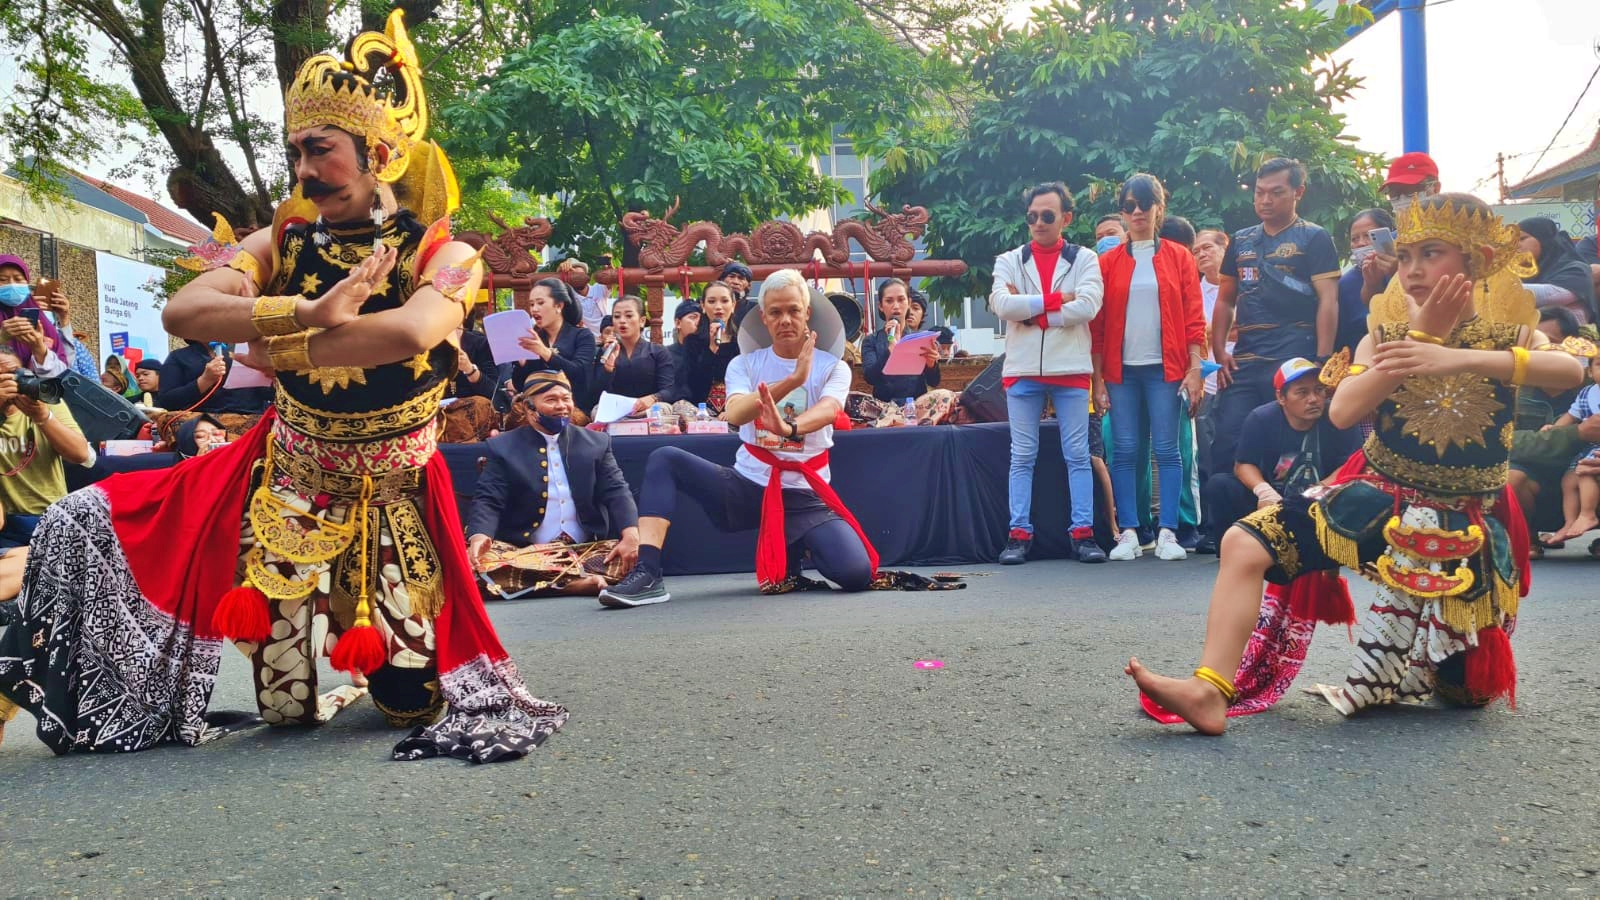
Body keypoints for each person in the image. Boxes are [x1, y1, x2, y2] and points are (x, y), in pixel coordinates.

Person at [0, 11, 566, 762]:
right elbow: (186, 309)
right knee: (287, 708)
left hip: (395, 492)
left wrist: (276, 342)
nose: (302, 170)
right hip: (292, 482)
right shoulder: (282, 243)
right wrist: (306, 308)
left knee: (409, 702)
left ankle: (395, 664)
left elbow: (409, 333)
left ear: (380, 152)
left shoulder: (443, 250)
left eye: (320, 150)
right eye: (295, 151)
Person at [1127, 193, 1584, 734]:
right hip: (1374, 496)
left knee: (1462, 689)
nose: (1412, 270)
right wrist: (1422, 341)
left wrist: (1455, 357)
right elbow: (1343, 410)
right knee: (1242, 542)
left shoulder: (1511, 333)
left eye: (1431, 254)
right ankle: (1208, 690)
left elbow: (1571, 372)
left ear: (1477, 260)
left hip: (1462, 522)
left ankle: (1434, 660)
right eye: (1406, 255)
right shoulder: (1383, 332)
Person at [598, 269, 875, 607]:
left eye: (793, 310)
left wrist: (789, 428)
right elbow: (737, 413)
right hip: (748, 484)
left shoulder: (833, 367)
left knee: (855, 574)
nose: (785, 319)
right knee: (665, 458)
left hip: (803, 493)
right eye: (775, 312)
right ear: (763, 317)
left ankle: (794, 548)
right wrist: (791, 381)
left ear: (807, 313)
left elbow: (830, 410)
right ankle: (648, 573)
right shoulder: (744, 364)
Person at [1091, 174, 1205, 562]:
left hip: (1167, 368)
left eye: (1145, 204)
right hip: (1121, 369)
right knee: (1123, 449)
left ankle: (1169, 530)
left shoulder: (1179, 257)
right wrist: (1098, 379)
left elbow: (1194, 317)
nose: (1137, 212)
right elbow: (1098, 325)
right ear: (1122, 213)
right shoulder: (1107, 262)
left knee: (1168, 450)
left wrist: (1194, 369)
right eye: (1129, 206)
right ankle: (1129, 531)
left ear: (1160, 208)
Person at [990, 181, 1106, 565]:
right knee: (1021, 456)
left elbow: (1088, 306)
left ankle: (1084, 534)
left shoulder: (1085, 258)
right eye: (1032, 217)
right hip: (1023, 369)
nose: (1038, 223)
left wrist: (1033, 314)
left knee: (1078, 454)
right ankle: (1018, 533)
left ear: (1066, 218)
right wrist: (1057, 302)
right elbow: (1002, 305)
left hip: (1071, 367)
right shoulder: (1008, 259)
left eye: (1047, 216)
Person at [1210, 157, 1341, 471]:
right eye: (1259, 192)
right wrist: (1218, 351)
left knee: (1284, 444)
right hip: (1245, 358)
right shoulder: (1240, 240)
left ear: (1298, 192)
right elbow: (1225, 300)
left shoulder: (1315, 237)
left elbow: (1329, 300)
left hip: (1294, 354)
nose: (1265, 200)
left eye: (1276, 192)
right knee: (1229, 438)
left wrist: (1322, 359)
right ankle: (1232, 517)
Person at [466, 371, 640, 599]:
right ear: (529, 408)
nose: (562, 406)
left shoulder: (596, 443)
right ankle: (573, 585)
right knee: (475, 564)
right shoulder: (503, 447)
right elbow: (488, 499)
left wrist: (631, 535)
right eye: (551, 400)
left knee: (633, 559)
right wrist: (479, 536)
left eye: (566, 399)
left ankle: (547, 583)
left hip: (584, 550)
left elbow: (616, 490)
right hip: (525, 553)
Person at [1200, 358, 1362, 550]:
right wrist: (1263, 491)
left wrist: (1318, 490)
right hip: (1274, 499)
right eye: (1302, 392)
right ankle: (1234, 549)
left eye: (1319, 390)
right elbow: (1243, 465)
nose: (1313, 399)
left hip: (1324, 498)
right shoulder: (1261, 418)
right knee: (1220, 484)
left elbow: (1353, 464)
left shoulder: (1338, 416)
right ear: (1281, 397)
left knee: (1360, 490)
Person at [0, 347, 94, 548]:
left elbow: (82, 455)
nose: (9, 382)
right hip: (5, 523)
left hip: (49, 517)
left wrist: (43, 418)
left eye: (13, 373)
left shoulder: (44, 403)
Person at [508, 276, 597, 401]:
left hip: (572, 405)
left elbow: (579, 373)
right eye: (531, 304)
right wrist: (522, 364)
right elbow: (520, 385)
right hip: (539, 406)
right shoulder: (534, 338)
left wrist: (544, 352)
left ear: (559, 306)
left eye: (540, 303)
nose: (534, 309)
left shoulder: (582, 335)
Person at [1543, 352, 1600, 541]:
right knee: (1568, 481)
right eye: (1599, 364)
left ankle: (1587, 514)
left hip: (1595, 451)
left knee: (1585, 471)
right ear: (1590, 371)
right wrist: (1555, 429)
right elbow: (1571, 416)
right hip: (1588, 445)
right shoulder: (1587, 393)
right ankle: (1569, 522)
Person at [861, 278, 942, 402]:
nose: (896, 306)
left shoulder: (921, 339)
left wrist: (931, 365)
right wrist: (890, 351)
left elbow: (934, 382)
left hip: (916, 406)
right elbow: (870, 378)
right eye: (889, 301)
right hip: (884, 407)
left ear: (908, 302)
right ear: (881, 306)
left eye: (901, 299)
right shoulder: (871, 341)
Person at [596, 295, 676, 415]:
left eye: (629, 316)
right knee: (596, 410)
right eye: (617, 316)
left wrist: (652, 398)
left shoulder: (658, 351)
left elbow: (670, 390)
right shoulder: (606, 352)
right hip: (617, 410)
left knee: (663, 408)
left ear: (642, 321)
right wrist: (608, 370)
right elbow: (596, 392)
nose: (622, 320)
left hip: (648, 408)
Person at [1336, 208, 1396, 355]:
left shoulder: (1406, 271)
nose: (1361, 243)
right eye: (1354, 239)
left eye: (1369, 236)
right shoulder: (1346, 284)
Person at [0, 255, 71, 377]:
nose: (11, 284)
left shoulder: (42, 323)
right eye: (2, 279)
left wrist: (39, 349)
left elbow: (62, 375)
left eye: (18, 279)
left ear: (27, 283)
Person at [157, 340, 273, 414]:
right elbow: (168, 401)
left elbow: (269, 394)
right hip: (201, 424)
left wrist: (272, 375)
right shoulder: (179, 357)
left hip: (251, 417)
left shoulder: (245, 352)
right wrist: (204, 381)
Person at [1519, 217, 1599, 324]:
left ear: (1543, 239)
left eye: (1522, 239)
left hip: (1573, 338)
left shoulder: (1577, 269)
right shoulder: (1520, 275)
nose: (1516, 245)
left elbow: (1550, 295)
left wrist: (1498, 287)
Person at [25, 274, 100, 379]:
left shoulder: (75, 345)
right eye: (33, 302)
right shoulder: (18, 340)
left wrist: (64, 316)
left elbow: (94, 384)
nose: (41, 307)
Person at [683, 281, 742, 411]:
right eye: (711, 301)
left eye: (724, 301)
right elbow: (692, 386)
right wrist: (712, 348)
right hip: (701, 412)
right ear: (703, 306)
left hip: (737, 410)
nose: (718, 307)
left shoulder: (742, 342)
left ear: (733, 305)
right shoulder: (692, 342)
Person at [560, 258, 609, 336]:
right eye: (574, 276)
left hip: (608, 337)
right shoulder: (569, 298)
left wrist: (608, 263)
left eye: (580, 275)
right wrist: (562, 268)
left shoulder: (599, 288)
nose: (578, 278)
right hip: (587, 340)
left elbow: (610, 278)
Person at [451, 323, 499, 400]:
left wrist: (469, 369)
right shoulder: (432, 347)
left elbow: (493, 391)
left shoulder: (481, 343)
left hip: (476, 404)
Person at [667, 301, 700, 404]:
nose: (698, 322)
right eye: (693, 317)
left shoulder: (709, 352)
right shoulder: (665, 354)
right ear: (678, 323)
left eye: (702, 318)